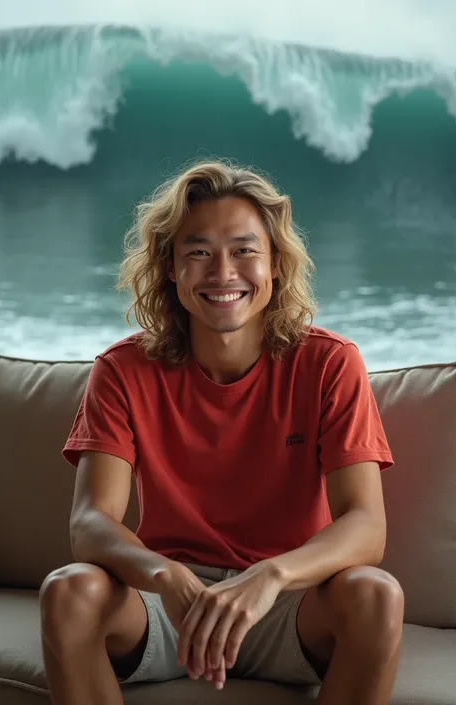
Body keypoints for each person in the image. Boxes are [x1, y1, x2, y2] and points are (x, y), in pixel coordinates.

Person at [39, 159, 405, 705]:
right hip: (167, 605)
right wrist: (165, 576)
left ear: (275, 263)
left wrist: (270, 577)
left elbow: (365, 525)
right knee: (67, 591)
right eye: (199, 252)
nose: (223, 272)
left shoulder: (330, 363)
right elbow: (91, 522)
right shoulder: (122, 370)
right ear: (170, 268)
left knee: (377, 596)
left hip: (288, 603)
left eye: (244, 250)